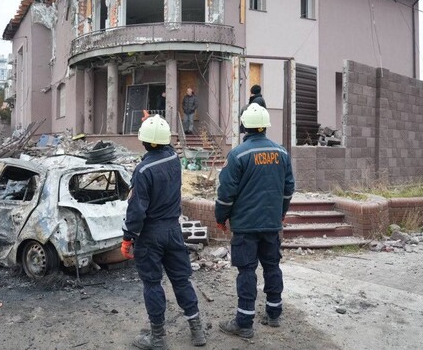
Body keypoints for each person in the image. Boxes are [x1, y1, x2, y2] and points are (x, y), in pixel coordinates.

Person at [121, 114, 206, 349]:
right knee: (181, 280)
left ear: (145, 142)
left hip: (151, 235)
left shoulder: (143, 170)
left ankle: (157, 338)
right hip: (173, 230)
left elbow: (137, 210)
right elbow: (164, 146)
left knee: (152, 283)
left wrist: (128, 237)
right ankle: (197, 330)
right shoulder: (173, 159)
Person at [215, 103, 295, 339]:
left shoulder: (238, 154)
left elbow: (226, 193)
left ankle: (244, 323)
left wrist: (221, 217)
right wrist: (281, 212)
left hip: (245, 226)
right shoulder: (281, 153)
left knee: (247, 271)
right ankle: (274, 314)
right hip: (271, 224)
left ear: (245, 127)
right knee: (272, 266)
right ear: (265, 127)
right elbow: (288, 188)